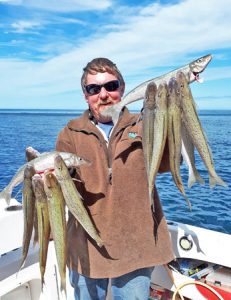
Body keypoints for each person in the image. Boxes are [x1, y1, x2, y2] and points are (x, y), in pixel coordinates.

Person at [56, 58, 174, 300]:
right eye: (94, 89)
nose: (103, 94)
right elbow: (62, 185)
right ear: (85, 95)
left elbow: (167, 163)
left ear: (122, 88)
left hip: (136, 246)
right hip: (86, 247)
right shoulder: (70, 133)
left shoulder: (143, 124)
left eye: (111, 86)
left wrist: (170, 120)